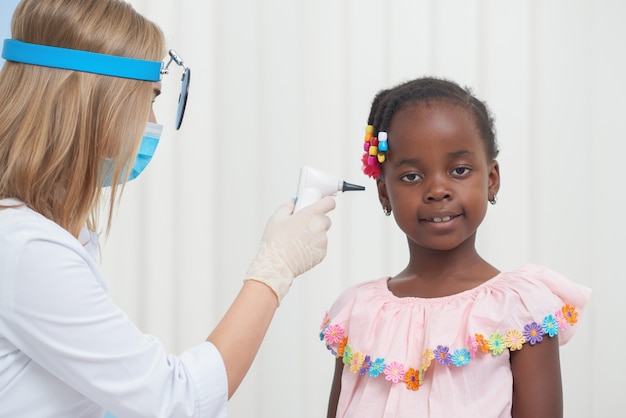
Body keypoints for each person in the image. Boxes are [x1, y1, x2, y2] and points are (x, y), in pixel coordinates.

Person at [0, 0, 335, 417]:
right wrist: (273, 270)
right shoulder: (28, 250)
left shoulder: (38, 236)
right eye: (149, 98)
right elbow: (176, 401)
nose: (152, 119)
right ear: (99, 101)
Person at [320, 77, 591, 418]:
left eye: (459, 170)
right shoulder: (360, 313)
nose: (437, 190)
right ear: (384, 193)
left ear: (491, 179)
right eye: (411, 176)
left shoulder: (520, 309)